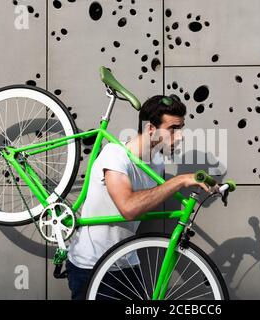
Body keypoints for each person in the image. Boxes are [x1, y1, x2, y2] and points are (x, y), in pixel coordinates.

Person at [65, 94, 211, 300]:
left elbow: (146, 201)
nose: (180, 136)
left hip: (127, 262)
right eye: (173, 129)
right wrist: (178, 181)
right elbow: (129, 208)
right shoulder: (115, 154)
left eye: (182, 128)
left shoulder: (158, 162)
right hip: (93, 264)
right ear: (151, 129)